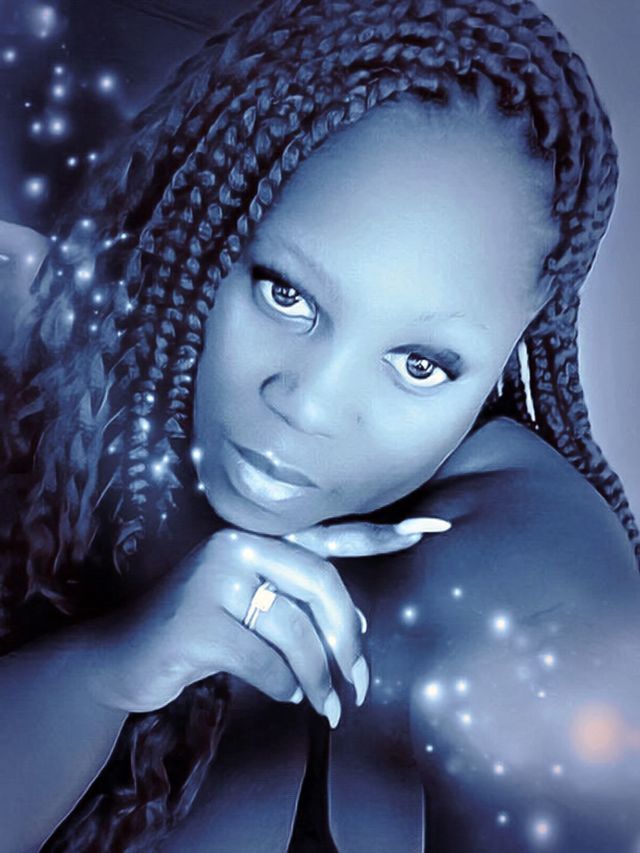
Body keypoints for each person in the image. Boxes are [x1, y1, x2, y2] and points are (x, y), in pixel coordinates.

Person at [1, 0, 639, 850]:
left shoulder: (525, 583)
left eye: (420, 364)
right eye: (286, 295)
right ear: (213, 229)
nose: (309, 404)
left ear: (511, 352)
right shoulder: (65, 362)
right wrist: (111, 669)